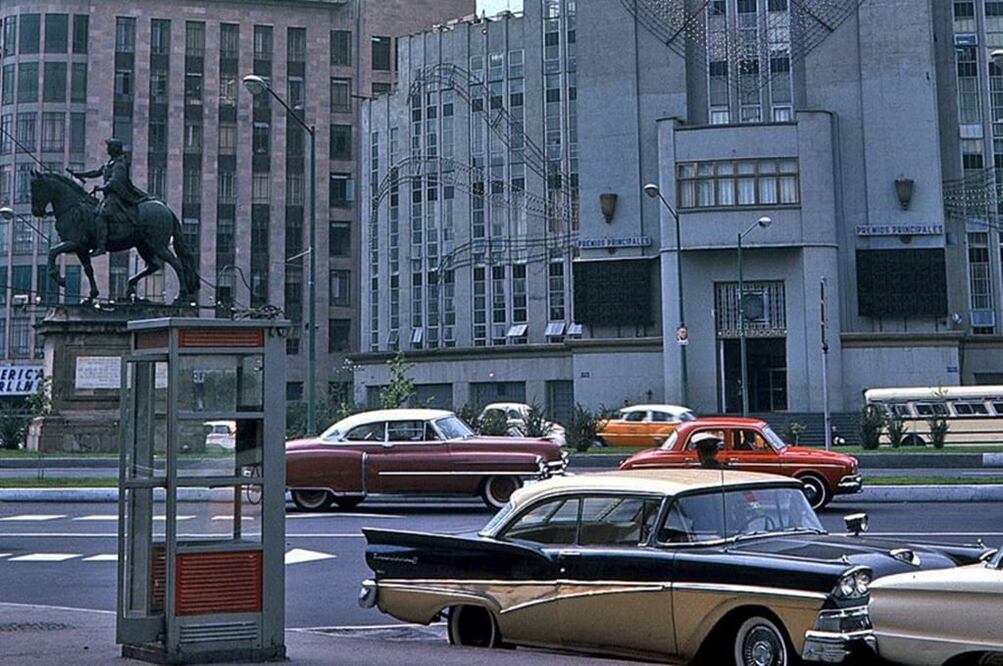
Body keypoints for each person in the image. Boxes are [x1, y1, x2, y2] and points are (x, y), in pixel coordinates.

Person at [67, 138, 148, 256]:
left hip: (117, 196)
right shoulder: (110, 163)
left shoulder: (120, 163)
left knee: (101, 215)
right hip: (108, 195)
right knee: (93, 212)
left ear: (114, 149)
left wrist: (101, 188)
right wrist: (79, 174)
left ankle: (101, 246)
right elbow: (96, 172)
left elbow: (115, 181)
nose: (107, 149)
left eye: (109, 147)